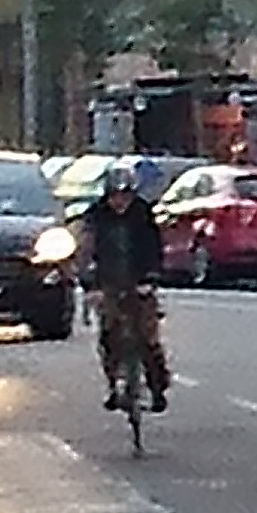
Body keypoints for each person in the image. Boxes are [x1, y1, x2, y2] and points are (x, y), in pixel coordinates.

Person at [83, 161, 172, 414]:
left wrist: (150, 278)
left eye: (125, 196)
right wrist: (91, 285)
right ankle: (114, 384)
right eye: (115, 196)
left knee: (147, 337)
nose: (119, 202)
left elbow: (154, 248)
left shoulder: (143, 214)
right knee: (109, 335)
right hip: (108, 281)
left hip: (139, 280)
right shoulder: (96, 216)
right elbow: (86, 250)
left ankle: (157, 386)